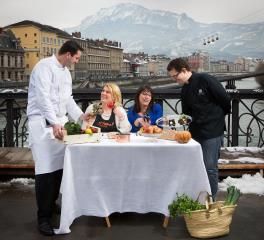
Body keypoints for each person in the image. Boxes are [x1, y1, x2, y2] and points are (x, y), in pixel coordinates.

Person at [27, 40, 87, 236]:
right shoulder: (43, 67)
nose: (76, 61)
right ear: (68, 54)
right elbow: (43, 98)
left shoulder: (66, 73)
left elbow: (68, 100)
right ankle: (42, 218)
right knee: (45, 173)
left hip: (59, 126)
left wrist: (80, 116)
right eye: (76, 57)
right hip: (43, 126)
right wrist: (54, 123)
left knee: (58, 171)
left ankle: (51, 205)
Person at [167, 58, 231, 200]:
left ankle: (211, 200)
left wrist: (216, 120)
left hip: (212, 132)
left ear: (184, 70)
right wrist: (170, 121)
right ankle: (199, 199)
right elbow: (187, 116)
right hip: (195, 133)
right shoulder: (184, 89)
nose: (174, 79)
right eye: (172, 77)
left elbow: (226, 101)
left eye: (175, 76)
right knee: (196, 168)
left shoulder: (206, 79)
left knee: (210, 169)